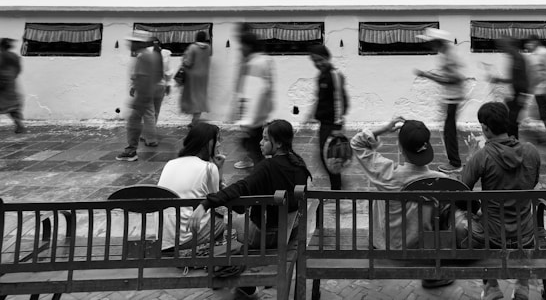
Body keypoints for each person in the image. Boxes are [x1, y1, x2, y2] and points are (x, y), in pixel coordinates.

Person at [188, 119, 311, 300]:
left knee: (228, 221)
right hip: (291, 231)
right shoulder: (299, 164)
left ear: (278, 143)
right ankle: (246, 284)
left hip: (267, 237)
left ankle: (227, 272)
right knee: (237, 219)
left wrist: (206, 204)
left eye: (265, 139)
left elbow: (242, 189)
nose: (260, 143)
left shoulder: (267, 167)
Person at [350, 116, 453, 290]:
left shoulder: (387, 175)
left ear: (401, 148)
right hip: (421, 247)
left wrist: (385, 128)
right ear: (427, 146)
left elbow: (357, 143)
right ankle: (433, 276)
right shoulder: (442, 180)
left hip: (387, 244)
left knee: (382, 193)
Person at [458, 102, 541, 300]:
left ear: (485, 128)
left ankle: (491, 287)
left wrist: (471, 157)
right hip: (526, 236)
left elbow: (461, 192)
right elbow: (533, 182)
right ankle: (522, 285)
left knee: (459, 222)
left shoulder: (482, 156)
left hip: (492, 238)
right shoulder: (531, 151)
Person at [157, 122, 226, 250]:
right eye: (217, 140)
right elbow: (218, 203)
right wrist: (218, 169)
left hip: (164, 239)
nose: (219, 144)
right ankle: (208, 253)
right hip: (186, 238)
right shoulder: (209, 168)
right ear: (208, 143)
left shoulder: (170, 163)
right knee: (221, 221)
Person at [414, 28, 466, 173]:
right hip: (450, 97)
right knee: (449, 130)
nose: (430, 46)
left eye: (431, 43)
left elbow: (454, 78)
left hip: (453, 98)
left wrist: (428, 76)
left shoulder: (450, 55)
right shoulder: (446, 53)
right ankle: (454, 160)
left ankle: (455, 163)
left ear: (437, 42)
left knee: (449, 132)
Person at [116, 30, 164, 161]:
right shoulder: (151, 55)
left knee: (133, 123)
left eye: (131, 42)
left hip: (143, 95)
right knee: (141, 120)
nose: (129, 45)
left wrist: (139, 96)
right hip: (149, 92)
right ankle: (136, 146)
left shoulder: (143, 57)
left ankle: (131, 150)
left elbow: (143, 77)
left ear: (137, 44)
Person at [308, 44, 349, 190]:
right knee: (325, 155)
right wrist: (312, 112)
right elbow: (322, 98)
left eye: (320, 60)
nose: (318, 64)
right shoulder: (322, 76)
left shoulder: (334, 75)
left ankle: (336, 188)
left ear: (327, 57)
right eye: (314, 61)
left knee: (329, 156)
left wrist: (337, 126)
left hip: (332, 124)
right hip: (324, 123)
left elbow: (340, 100)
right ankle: (336, 184)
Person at [233, 31, 275, 170]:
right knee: (256, 148)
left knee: (255, 150)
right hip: (261, 114)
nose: (241, 49)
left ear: (249, 46)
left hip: (254, 117)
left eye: (242, 46)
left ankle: (261, 180)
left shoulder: (254, 64)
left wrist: (247, 121)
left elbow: (253, 94)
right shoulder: (265, 60)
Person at [488, 38, 529, 139]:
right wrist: (499, 80)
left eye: (504, 46)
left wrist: (522, 95)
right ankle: (513, 143)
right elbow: (514, 79)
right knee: (511, 121)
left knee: (512, 121)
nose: (503, 49)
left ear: (511, 46)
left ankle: (514, 145)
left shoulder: (517, 58)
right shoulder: (515, 57)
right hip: (517, 93)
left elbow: (521, 78)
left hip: (520, 93)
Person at [0, 38, 25, 138]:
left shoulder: (0, 56)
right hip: (10, 86)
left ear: (0, 46)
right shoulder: (14, 57)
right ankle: (19, 125)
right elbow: (18, 70)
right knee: (13, 107)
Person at [523, 35, 546, 144]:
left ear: (535, 42)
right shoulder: (533, 55)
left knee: (543, 111)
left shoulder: (544, 53)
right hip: (537, 88)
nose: (528, 45)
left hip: (544, 88)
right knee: (539, 111)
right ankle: (545, 132)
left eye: (530, 43)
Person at [180, 30, 211, 126]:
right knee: (200, 96)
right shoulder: (208, 48)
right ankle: (195, 119)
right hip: (204, 75)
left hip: (192, 75)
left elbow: (188, 62)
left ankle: (195, 120)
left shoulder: (192, 47)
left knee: (192, 96)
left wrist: (184, 58)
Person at [152, 37, 173, 123]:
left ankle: (148, 131)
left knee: (148, 111)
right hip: (161, 86)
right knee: (156, 110)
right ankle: (152, 129)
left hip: (149, 86)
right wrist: (168, 85)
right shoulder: (165, 55)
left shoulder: (146, 55)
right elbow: (168, 72)